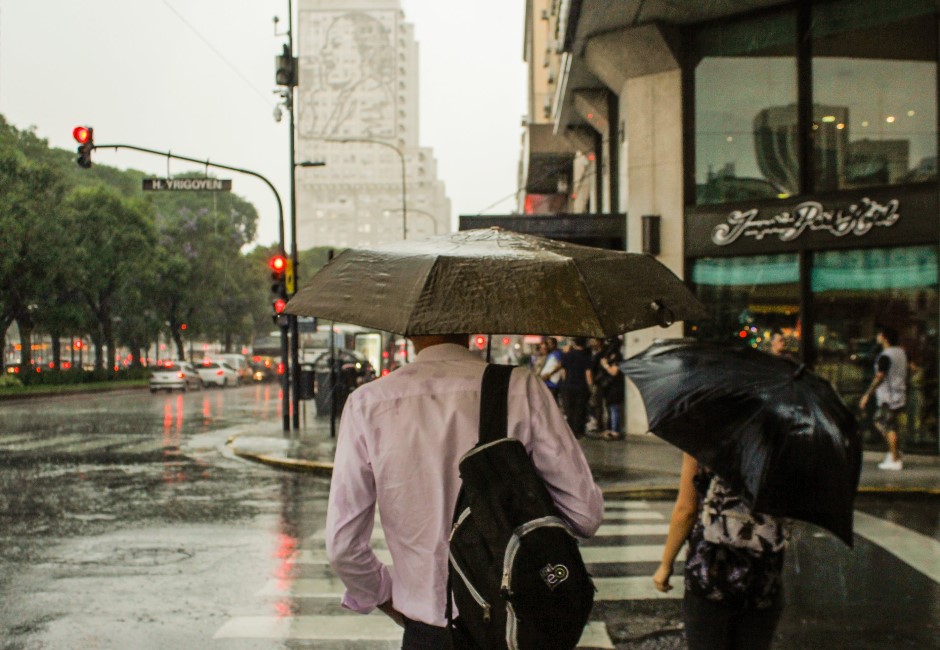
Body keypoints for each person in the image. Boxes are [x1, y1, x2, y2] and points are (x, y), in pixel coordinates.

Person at [326, 334, 604, 649]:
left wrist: (386, 596)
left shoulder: (368, 403)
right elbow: (585, 514)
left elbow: (343, 547)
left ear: (408, 331)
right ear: (474, 321)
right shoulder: (519, 389)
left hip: (429, 631)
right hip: (514, 623)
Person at [653, 454, 787, 650]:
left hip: (711, 572)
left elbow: (686, 510)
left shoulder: (705, 440)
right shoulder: (786, 446)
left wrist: (666, 565)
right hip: (764, 576)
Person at [859, 326, 908, 470]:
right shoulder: (901, 352)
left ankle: (895, 458)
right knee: (889, 425)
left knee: (884, 424)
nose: (877, 336)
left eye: (880, 334)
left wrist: (868, 394)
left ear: (885, 337)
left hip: (889, 397)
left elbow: (880, 376)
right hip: (899, 394)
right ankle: (894, 453)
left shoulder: (886, 356)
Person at [560, 337, 592, 438]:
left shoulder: (567, 355)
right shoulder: (586, 356)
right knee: (580, 408)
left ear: (574, 343)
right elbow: (588, 373)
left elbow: (563, 372)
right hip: (581, 386)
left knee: (570, 409)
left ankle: (570, 431)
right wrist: (590, 386)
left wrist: (565, 383)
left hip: (569, 385)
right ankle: (578, 431)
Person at [598, 339, 625, 441]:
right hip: (608, 387)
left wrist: (605, 365)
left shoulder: (617, 357)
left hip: (615, 387)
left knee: (614, 409)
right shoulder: (608, 356)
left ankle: (615, 431)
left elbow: (614, 372)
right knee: (610, 409)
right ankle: (610, 429)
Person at [586, 338, 606, 434]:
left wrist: (592, 382)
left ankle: (598, 424)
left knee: (597, 404)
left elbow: (592, 369)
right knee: (595, 404)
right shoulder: (593, 353)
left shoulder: (600, 354)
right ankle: (597, 423)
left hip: (597, 382)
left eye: (594, 341)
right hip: (596, 382)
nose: (591, 342)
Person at [540, 336, 564, 402]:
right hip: (547, 382)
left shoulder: (558, 353)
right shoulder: (550, 354)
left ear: (554, 344)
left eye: (550, 343)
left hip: (553, 383)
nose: (548, 345)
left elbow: (560, 365)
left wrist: (549, 374)